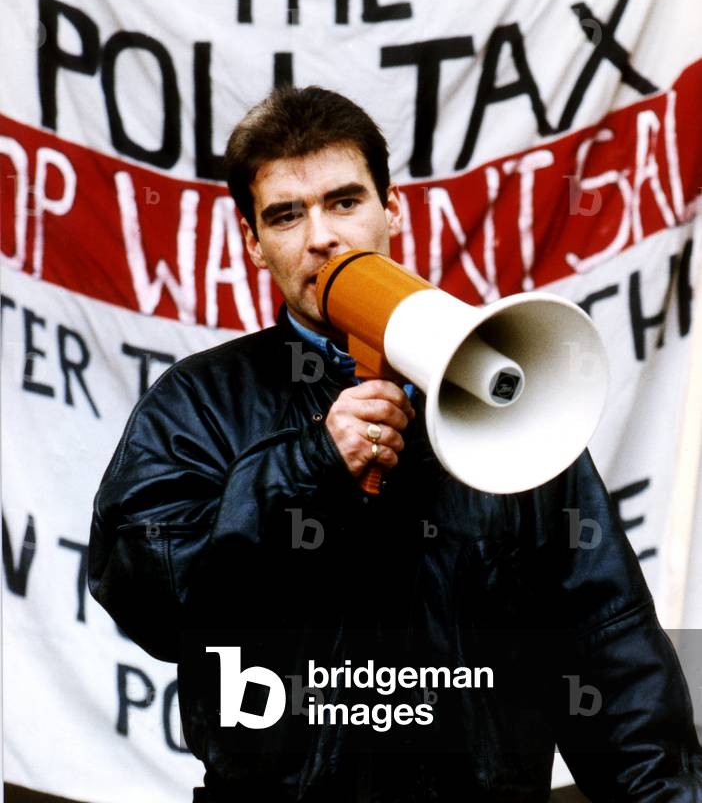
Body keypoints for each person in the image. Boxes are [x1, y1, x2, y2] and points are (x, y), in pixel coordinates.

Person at [89, 85, 702, 803]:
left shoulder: (513, 396)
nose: (322, 236)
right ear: (254, 243)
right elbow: (150, 596)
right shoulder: (200, 404)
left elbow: (609, 653)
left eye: (345, 202)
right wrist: (307, 467)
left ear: (392, 211)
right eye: (287, 215)